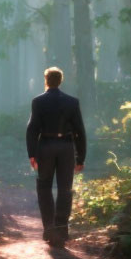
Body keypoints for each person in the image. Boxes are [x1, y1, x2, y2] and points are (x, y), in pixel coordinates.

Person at [26, 66, 86, 247]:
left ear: (46, 80)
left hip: (45, 147)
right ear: (60, 81)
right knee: (65, 188)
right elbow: (79, 132)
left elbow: (32, 129)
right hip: (66, 148)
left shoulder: (38, 101)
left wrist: (32, 154)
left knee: (44, 187)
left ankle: (49, 229)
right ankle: (61, 229)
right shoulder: (72, 102)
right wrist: (81, 157)